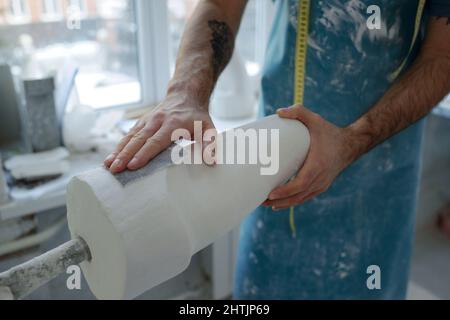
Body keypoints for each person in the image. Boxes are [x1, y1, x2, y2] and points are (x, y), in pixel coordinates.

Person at [105, 0, 450, 299]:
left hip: (373, 186)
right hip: (268, 175)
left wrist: (353, 140)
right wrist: (185, 92)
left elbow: (444, 53)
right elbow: (220, 6)